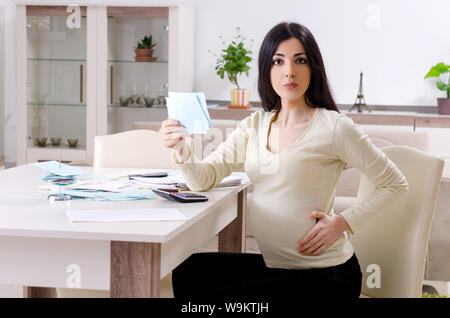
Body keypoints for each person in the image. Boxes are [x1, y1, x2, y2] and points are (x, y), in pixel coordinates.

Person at [158, 22, 408, 299]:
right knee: (189, 271)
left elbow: (395, 184)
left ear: (313, 67)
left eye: (300, 60)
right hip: (277, 267)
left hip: (327, 274)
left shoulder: (334, 127)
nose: (289, 71)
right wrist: (183, 151)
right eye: (278, 61)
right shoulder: (254, 125)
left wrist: (343, 222)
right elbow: (202, 179)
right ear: (267, 69)